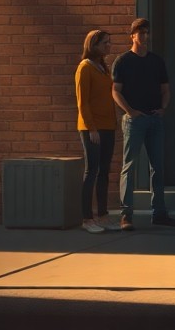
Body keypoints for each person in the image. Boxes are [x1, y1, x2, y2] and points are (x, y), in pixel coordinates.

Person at [112, 18, 175, 230]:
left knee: (157, 167)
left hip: (154, 119)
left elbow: (165, 89)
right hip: (135, 121)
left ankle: (159, 213)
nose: (144, 37)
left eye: (147, 33)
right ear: (132, 35)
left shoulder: (156, 61)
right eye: (140, 33)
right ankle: (126, 215)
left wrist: (163, 108)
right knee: (129, 167)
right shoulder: (123, 61)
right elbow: (115, 90)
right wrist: (130, 111)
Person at [76, 29, 120, 233]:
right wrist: (91, 128)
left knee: (104, 172)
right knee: (91, 171)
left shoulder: (103, 67)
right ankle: (87, 219)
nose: (108, 46)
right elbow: (82, 103)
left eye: (109, 43)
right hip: (92, 128)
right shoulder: (84, 68)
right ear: (93, 45)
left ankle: (102, 215)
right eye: (104, 43)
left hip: (107, 126)